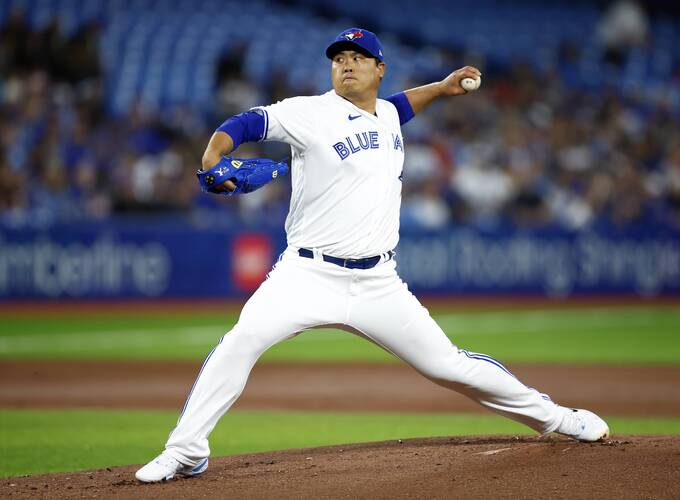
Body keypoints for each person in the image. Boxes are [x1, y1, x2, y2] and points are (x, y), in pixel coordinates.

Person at [135, 28, 609, 483]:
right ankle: (186, 451)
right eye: (339, 59)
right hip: (306, 274)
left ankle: (556, 418)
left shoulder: (386, 113)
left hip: (378, 283)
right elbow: (245, 123)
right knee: (242, 341)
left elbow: (399, 106)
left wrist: (441, 88)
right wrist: (213, 156)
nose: (346, 66)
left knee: (449, 366)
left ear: (380, 69)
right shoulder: (309, 112)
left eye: (358, 59)